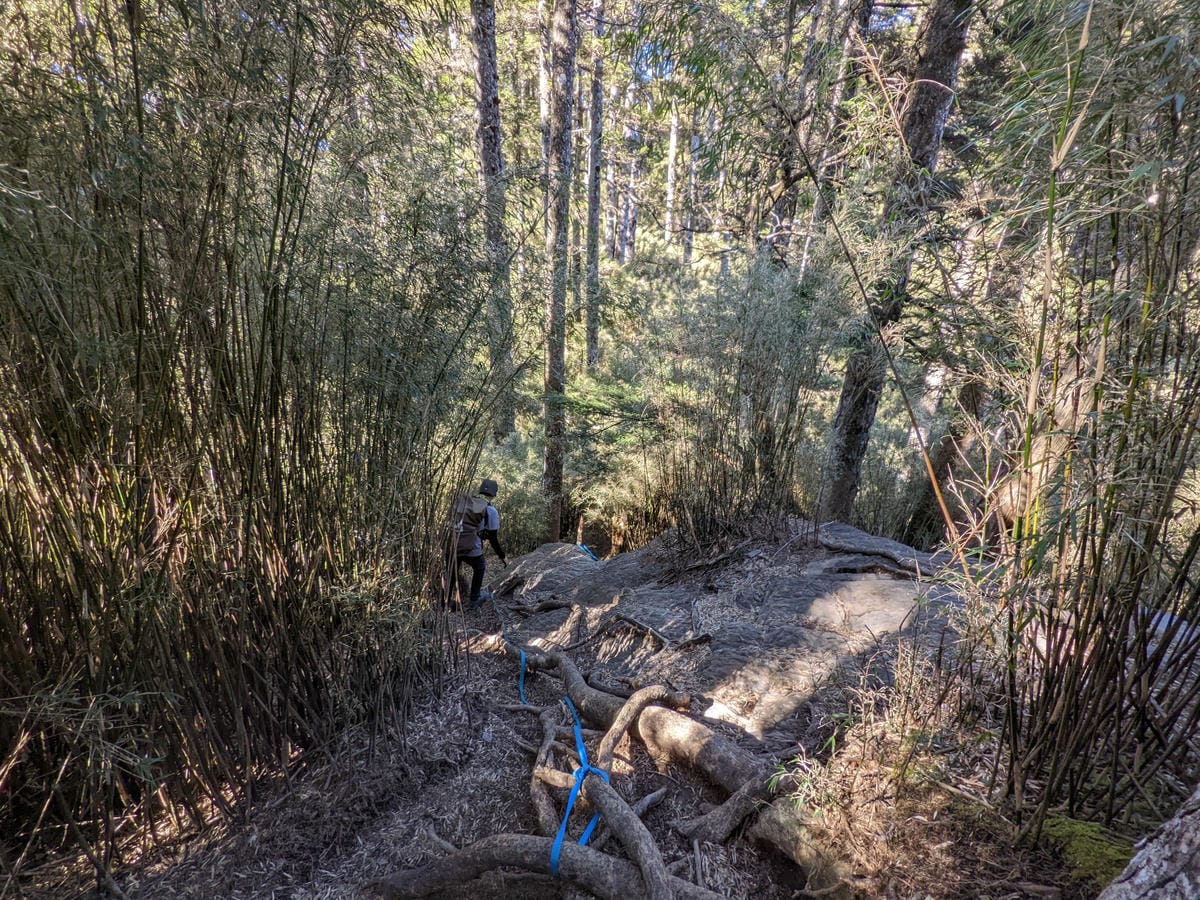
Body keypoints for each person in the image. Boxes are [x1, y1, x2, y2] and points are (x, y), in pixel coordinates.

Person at [453, 478, 507, 606]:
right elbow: (493, 537)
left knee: (452, 571)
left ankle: (447, 600)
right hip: (471, 546)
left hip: (452, 543)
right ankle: (474, 598)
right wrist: (502, 556)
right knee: (480, 567)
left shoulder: (466, 502)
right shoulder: (490, 510)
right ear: (494, 494)